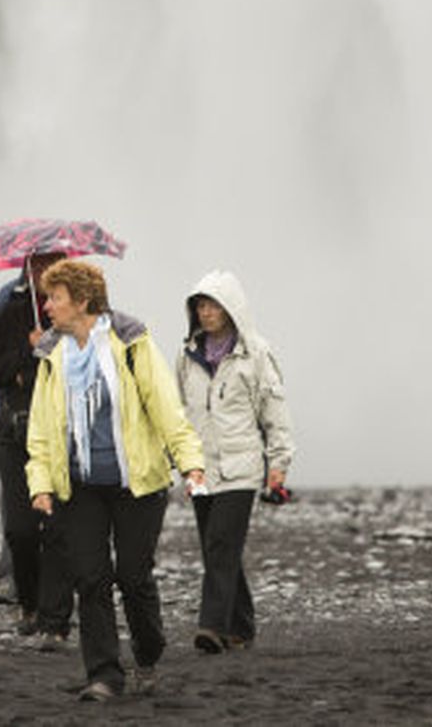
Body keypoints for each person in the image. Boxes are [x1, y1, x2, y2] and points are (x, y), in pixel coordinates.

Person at [26, 260, 206, 703]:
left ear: (82, 301)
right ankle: (104, 675)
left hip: (137, 484)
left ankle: (148, 651)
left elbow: (165, 406)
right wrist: (41, 483)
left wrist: (190, 463)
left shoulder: (130, 342)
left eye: (55, 297)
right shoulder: (52, 354)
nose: (47, 306)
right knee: (89, 579)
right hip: (81, 486)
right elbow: (41, 428)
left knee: (133, 576)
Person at [174, 270, 295, 653]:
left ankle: (211, 627)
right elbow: (178, 409)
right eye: (200, 306)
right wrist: (175, 458)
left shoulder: (255, 353)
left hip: (241, 469)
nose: (206, 313)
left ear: (231, 308)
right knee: (215, 548)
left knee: (221, 543)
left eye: (213, 305)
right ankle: (241, 627)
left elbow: (274, 411)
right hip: (199, 468)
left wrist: (278, 464)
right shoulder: (186, 355)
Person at [0, 250, 66, 635]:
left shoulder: (78, 306)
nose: (44, 271)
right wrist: (27, 349)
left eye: (52, 264)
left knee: (59, 526)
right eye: (38, 264)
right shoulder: (9, 304)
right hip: (16, 430)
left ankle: (55, 615)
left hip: (62, 433)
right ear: (27, 267)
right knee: (20, 529)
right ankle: (29, 602)